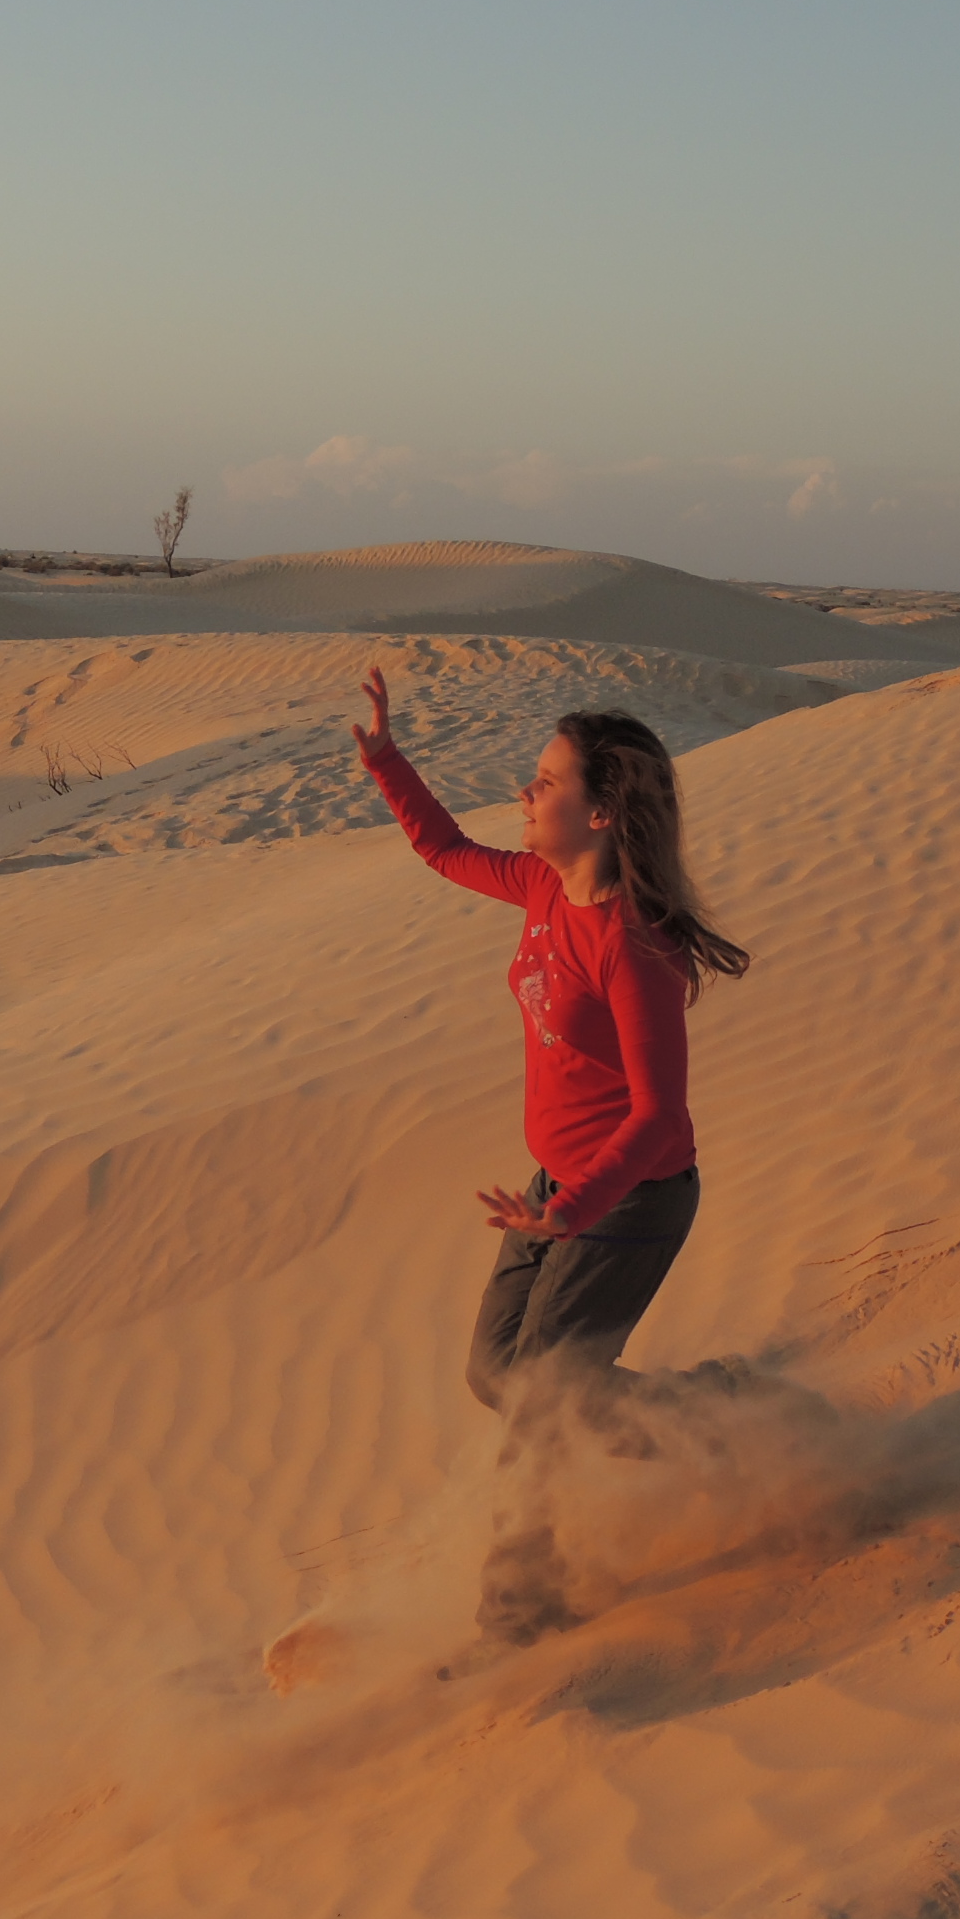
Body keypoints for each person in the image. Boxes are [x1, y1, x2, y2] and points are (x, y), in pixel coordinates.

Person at [347, 666, 749, 1643]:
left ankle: (518, 1615)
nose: (524, 793)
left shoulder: (633, 945)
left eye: (546, 780)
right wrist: (388, 760)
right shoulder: (539, 887)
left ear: (601, 813)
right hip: (554, 1190)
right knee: (497, 1372)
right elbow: (444, 850)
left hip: (631, 1197)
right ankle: (719, 1421)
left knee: (539, 1397)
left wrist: (573, 1210)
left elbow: (657, 1114)